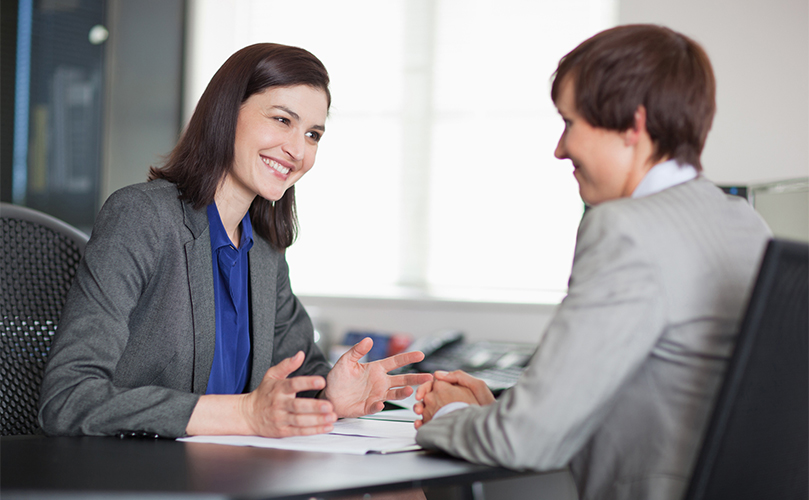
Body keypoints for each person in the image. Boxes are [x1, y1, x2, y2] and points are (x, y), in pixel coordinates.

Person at [413, 24, 771, 500]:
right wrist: (497, 413)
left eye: (570, 123)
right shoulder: (745, 222)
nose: (560, 149)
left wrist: (447, 416)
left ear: (634, 126)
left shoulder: (627, 228)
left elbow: (526, 442)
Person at [38, 43, 431, 438]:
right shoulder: (143, 217)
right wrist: (242, 415)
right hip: (139, 475)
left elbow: (296, 375)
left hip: (233, 472)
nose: (298, 150)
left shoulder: (263, 249)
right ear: (226, 113)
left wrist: (330, 394)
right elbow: (68, 399)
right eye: (281, 120)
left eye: (312, 134)